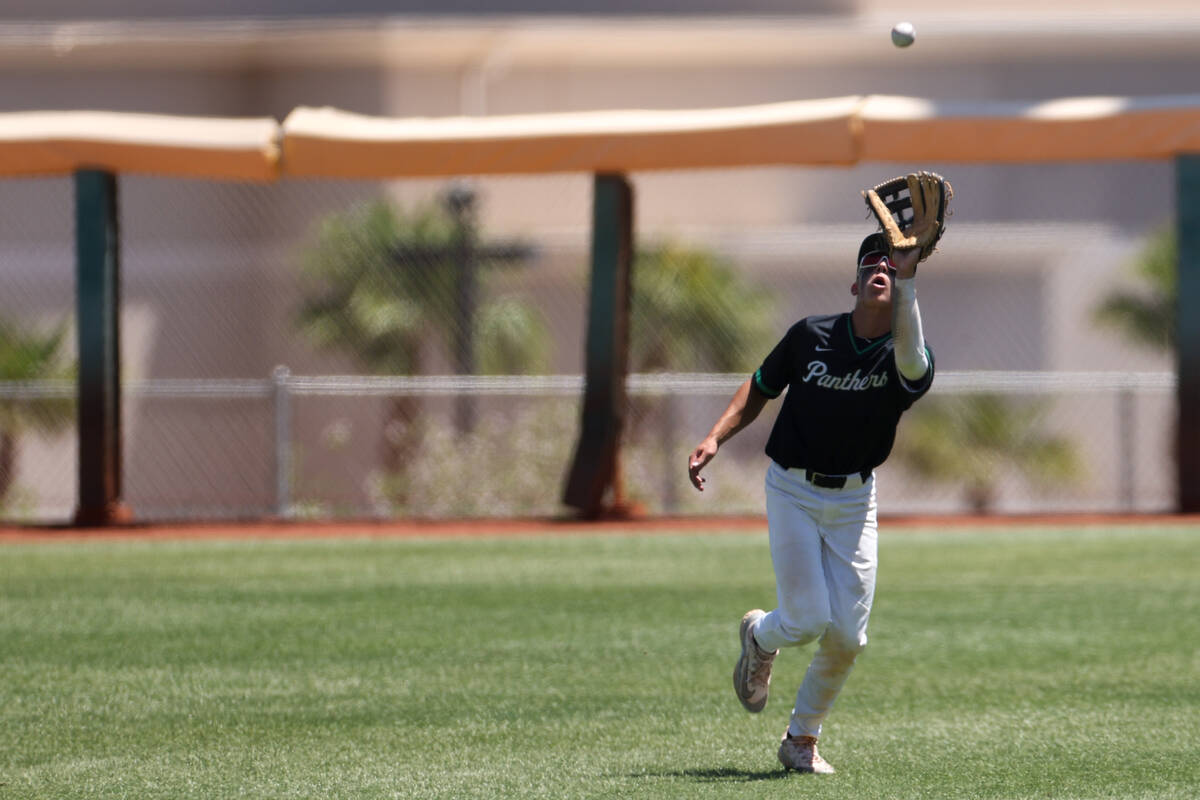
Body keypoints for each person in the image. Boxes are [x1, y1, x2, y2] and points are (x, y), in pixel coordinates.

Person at [687, 232, 935, 774]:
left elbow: (915, 363)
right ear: (853, 283)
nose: (881, 270)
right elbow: (760, 386)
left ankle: (801, 738)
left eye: (890, 269)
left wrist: (909, 277)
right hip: (793, 489)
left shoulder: (904, 356)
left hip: (854, 500)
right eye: (871, 264)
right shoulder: (810, 336)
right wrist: (715, 437)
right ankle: (760, 637)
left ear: (903, 290)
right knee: (804, 620)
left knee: (847, 635)